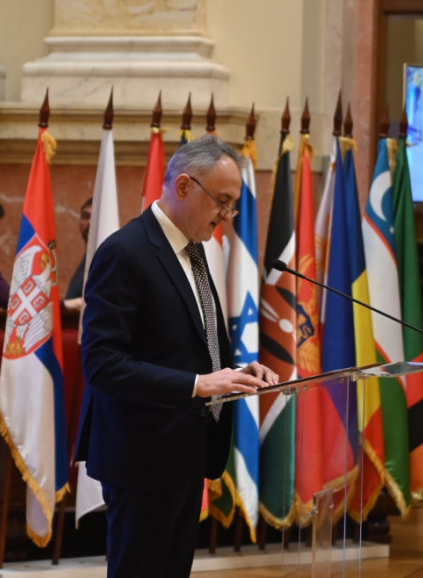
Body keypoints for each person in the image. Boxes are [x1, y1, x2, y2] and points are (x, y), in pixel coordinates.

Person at [74, 134, 279, 578]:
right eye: (222, 202)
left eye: (233, 205)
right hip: (141, 455)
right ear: (184, 186)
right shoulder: (125, 252)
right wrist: (198, 385)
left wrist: (234, 373)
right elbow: (102, 363)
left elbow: (188, 343)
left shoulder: (194, 250)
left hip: (185, 450)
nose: (227, 216)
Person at [63, 197, 93, 311]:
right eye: (86, 216)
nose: (89, 222)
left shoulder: (110, 259)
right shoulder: (87, 258)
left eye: (94, 217)